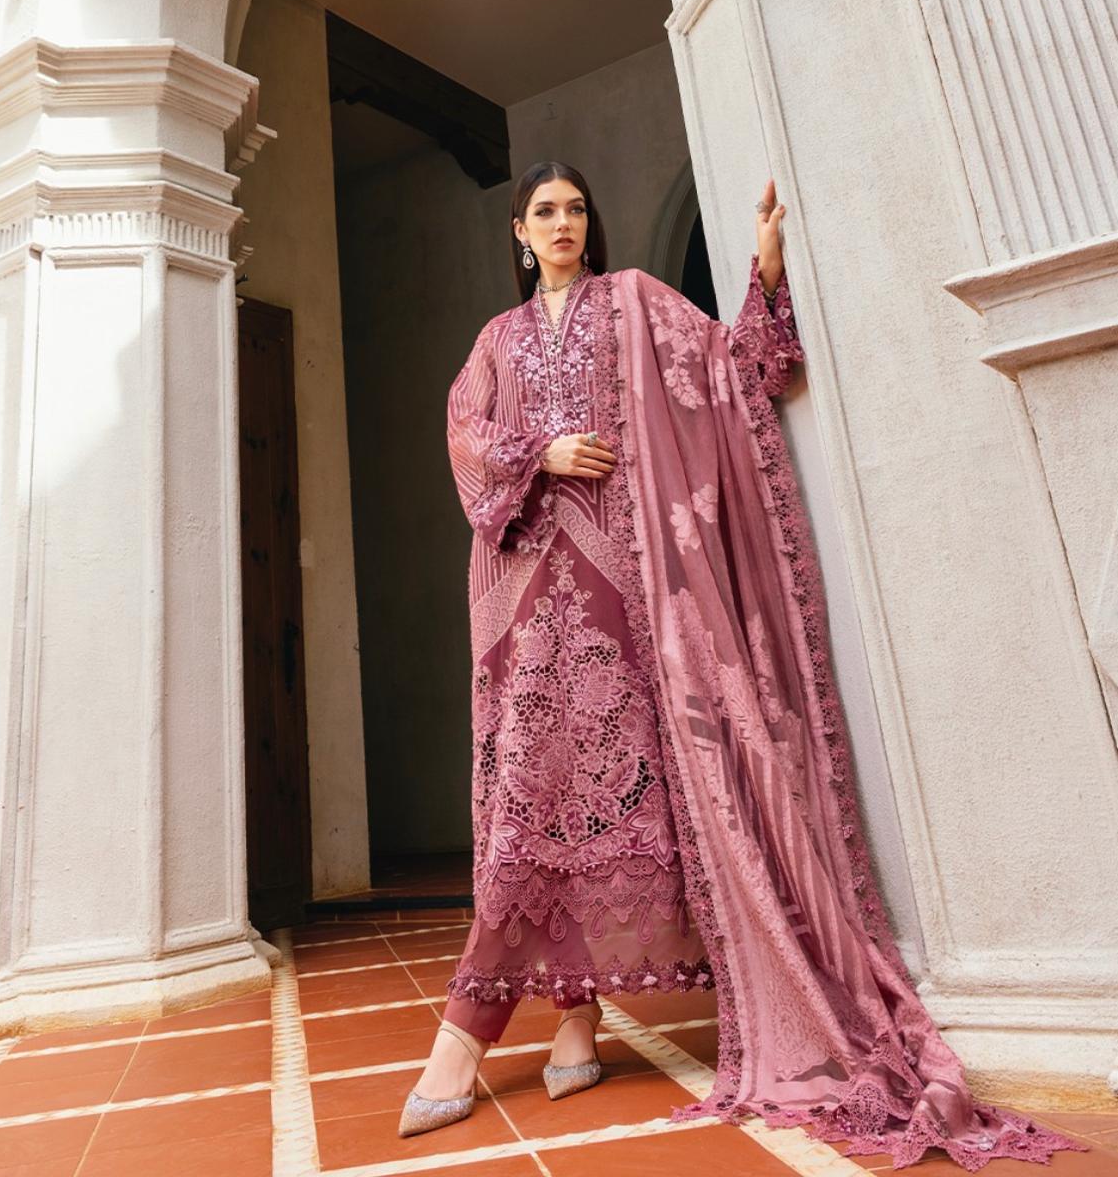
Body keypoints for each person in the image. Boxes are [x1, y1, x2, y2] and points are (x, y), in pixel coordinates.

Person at [398, 161, 1085, 1170]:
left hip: (628, 593)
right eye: (544, 212)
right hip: (524, 598)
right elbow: (467, 437)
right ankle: (569, 1021)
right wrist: (540, 455)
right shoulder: (496, 340)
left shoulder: (635, 301)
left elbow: (727, 371)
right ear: (517, 231)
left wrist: (763, 274)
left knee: (613, 799)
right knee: (526, 799)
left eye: (576, 209)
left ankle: (491, 1033)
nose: (562, 224)